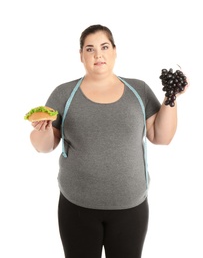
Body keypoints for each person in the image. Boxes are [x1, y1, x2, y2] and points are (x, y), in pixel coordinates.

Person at [29, 24, 189, 258]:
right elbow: (43, 146)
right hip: (76, 206)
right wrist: (42, 129)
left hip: (131, 207)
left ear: (115, 50)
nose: (98, 54)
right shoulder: (64, 93)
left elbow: (161, 137)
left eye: (104, 47)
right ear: (81, 55)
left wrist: (171, 98)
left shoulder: (139, 90)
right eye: (90, 49)